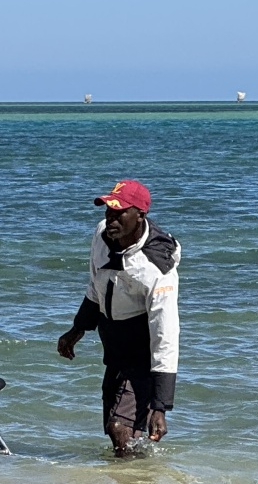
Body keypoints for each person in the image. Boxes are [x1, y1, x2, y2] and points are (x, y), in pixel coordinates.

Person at [57, 179, 181, 457]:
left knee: (119, 427)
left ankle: (132, 480)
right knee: (117, 432)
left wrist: (161, 405)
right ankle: (137, 479)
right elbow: (96, 286)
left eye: (119, 212)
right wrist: (77, 329)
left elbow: (165, 334)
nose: (111, 219)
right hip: (113, 345)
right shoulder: (101, 234)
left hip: (142, 350)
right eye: (108, 210)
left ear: (140, 215)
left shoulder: (157, 267)